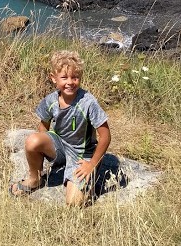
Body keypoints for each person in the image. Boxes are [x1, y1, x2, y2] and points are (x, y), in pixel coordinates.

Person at [10, 50, 111, 206]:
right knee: (32, 140)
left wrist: (91, 165)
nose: (70, 82)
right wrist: (43, 152)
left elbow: (105, 136)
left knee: (74, 202)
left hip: (81, 154)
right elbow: (43, 126)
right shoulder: (50, 100)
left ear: (80, 77)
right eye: (64, 77)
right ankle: (35, 179)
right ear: (53, 78)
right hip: (60, 147)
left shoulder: (88, 102)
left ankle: (93, 175)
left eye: (75, 77)